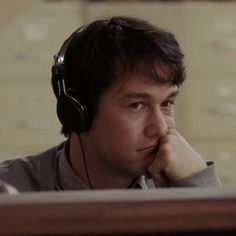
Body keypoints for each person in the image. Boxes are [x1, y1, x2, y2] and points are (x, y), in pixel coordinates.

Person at [0, 16, 221, 192]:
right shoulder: (11, 191)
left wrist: (201, 185)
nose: (160, 128)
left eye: (167, 103)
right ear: (78, 109)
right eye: (137, 105)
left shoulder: (183, 184)